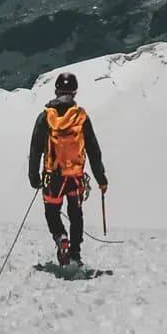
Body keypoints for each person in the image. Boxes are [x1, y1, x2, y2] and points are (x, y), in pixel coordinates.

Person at [28, 72, 107, 266]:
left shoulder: (45, 117)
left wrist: (34, 176)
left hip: (52, 177)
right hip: (76, 177)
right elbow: (93, 149)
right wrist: (101, 179)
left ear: (56, 91)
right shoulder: (81, 117)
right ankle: (75, 253)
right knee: (76, 214)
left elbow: (35, 148)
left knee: (52, 212)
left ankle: (60, 237)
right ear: (74, 92)